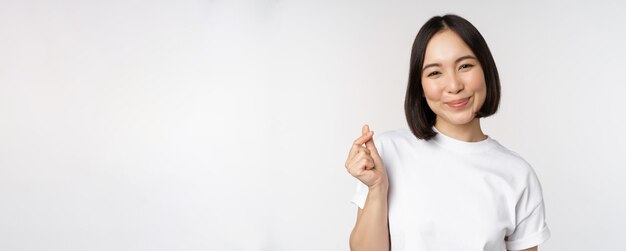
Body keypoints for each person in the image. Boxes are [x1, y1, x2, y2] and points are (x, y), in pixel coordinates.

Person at [345, 14, 551, 251]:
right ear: (420, 87)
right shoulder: (388, 152)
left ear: (485, 70)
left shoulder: (517, 174)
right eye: (435, 72)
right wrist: (377, 187)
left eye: (465, 66)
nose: (454, 86)